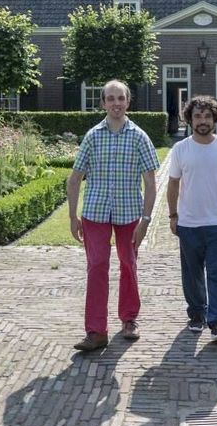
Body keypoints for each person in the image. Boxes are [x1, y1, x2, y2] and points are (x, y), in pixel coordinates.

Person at [67, 79, 159, 352]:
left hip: (129, 212)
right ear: (103, 103)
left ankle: (129, 318)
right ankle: (96, 331)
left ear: (128, 102)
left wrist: (145, 220)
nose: (116, 103)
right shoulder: (93, 136)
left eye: (121, 98)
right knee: (96, 267)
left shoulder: (140, 136)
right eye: (111, 98)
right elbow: (74, 179)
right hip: (95, 212)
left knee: (128, 264)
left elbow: (151, 183)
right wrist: (73, 217)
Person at [166, 96, 217, 343]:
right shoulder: (180, 149)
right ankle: (197, 314)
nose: (202, 121)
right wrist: (173, 214)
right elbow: (173, 183)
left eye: (207, 116)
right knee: (192, 274)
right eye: (197, 116)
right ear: (190, 119)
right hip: (189, 224)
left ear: (215, 118)